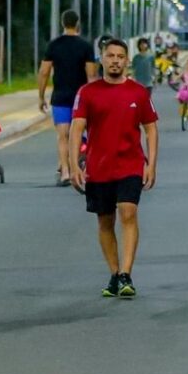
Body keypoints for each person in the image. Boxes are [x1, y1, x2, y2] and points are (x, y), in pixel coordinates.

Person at [70, 37, 159, 298]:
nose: (115, 61)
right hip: (98, 167)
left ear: (127, 60)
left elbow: (151, 129)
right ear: (102, 59)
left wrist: (151, 164)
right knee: (105, 220)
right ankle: (114, 272)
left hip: (130, 164)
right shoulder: (87, 92)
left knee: (128, 213)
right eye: (110, 56)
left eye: (120, 57)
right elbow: (76, 128)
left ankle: (126, 274)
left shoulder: (138, 92)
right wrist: (73, 164)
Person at [39, 11, 99, 187]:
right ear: (77, 23)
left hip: (60, 96)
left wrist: (41, 96)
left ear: (62, 23)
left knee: (63, 136)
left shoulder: (53, 45)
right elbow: (91, 75)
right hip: (81, 97)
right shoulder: (85, 46)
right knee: (85, 132)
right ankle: (84, 167)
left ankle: (65, 171)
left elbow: (44, 72)